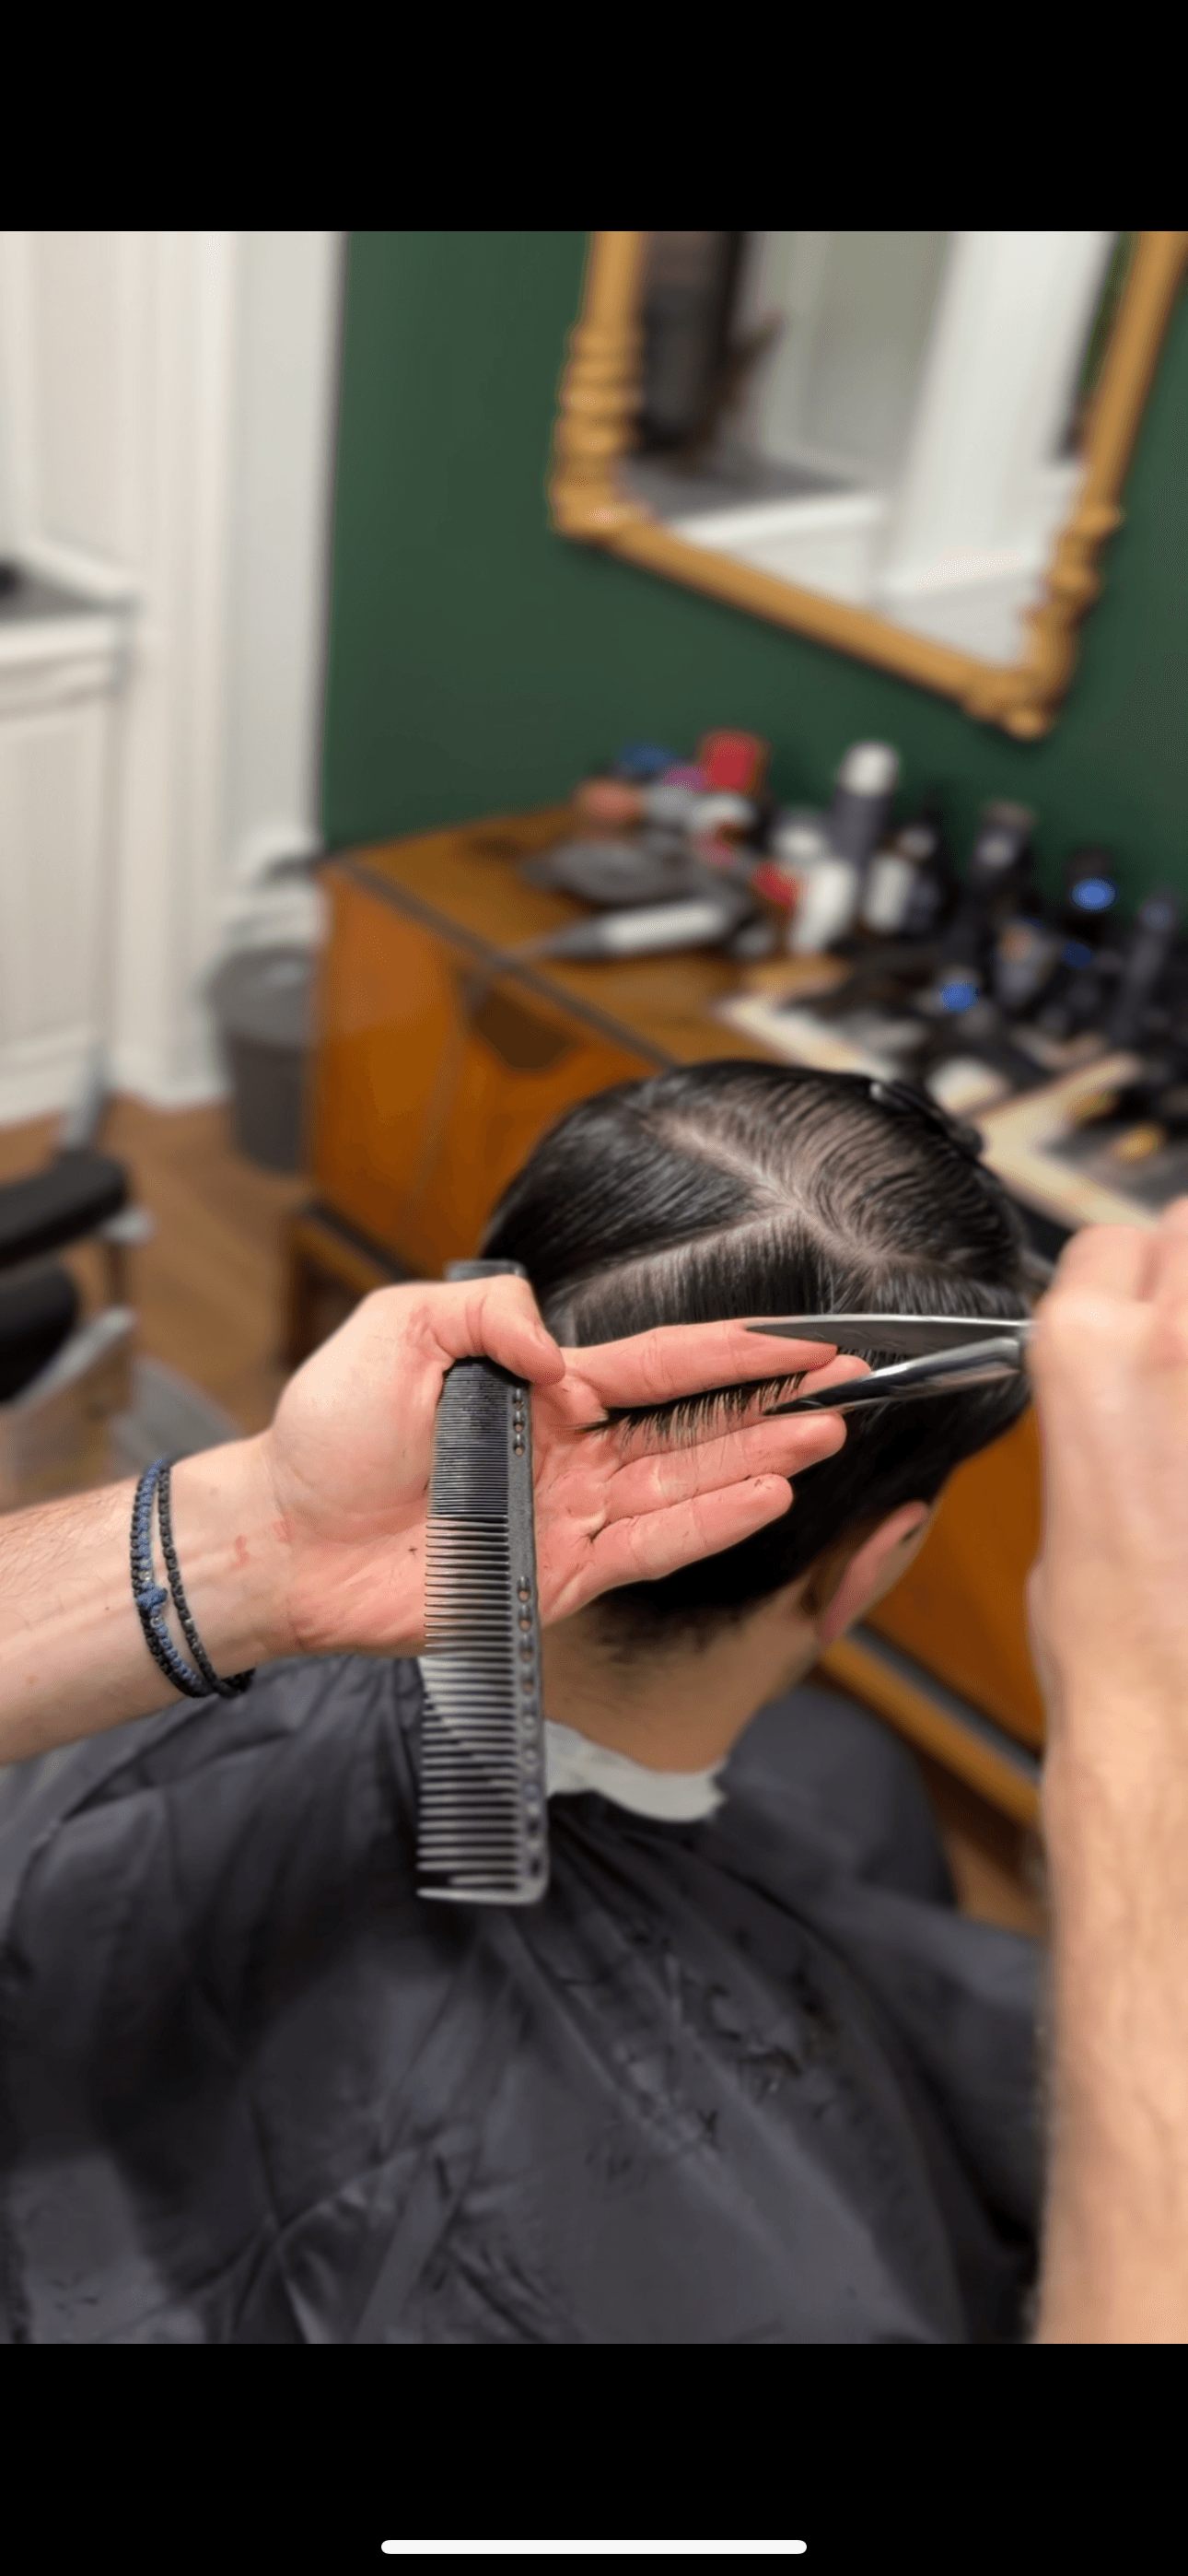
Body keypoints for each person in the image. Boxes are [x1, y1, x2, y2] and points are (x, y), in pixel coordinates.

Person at [0, 1060, 1167, 2345]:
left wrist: (259, 1538)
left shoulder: (97, 1692)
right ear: (869, 1566)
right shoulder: (773, 2292)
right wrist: (1133, 1719)